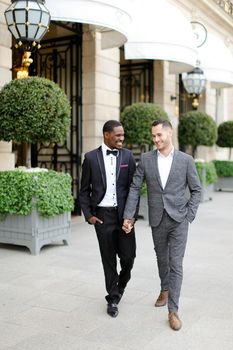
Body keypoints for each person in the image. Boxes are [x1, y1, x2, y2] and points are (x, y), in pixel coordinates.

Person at [123, 119, 202, 331]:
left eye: (159, 135)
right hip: (157, 218)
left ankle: (173, 310)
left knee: (175, 263)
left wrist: (189, 215)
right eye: (153, 136)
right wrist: (128, 216)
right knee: (161, 258)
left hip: (179, 220)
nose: (155, 139)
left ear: (170, 133)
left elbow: (196, 190)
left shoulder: (186, 160)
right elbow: (134, 187)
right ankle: (164, 288)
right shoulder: (147, 159)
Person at [79, 120, 137, 318]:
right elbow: (83, 191)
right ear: (106, 135)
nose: (122, 138)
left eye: (122, 135)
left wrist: (131, 216)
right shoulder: (91, 158)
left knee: (128, 257)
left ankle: (120, 285)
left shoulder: (128, 156)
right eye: (118, 135)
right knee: (108, 260)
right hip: (102, 217)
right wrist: (89, 216)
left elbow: (133, 189)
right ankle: (113, 297)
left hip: (124, 217)